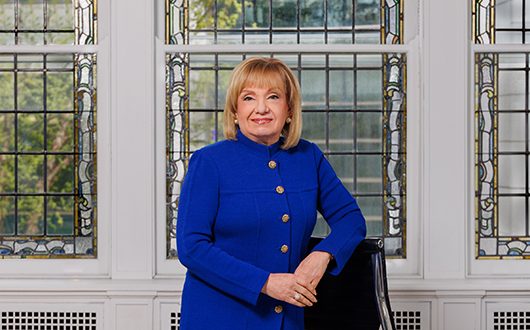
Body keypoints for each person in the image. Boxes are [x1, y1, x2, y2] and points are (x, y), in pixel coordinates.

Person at [176, 57, 366, 330]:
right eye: (249, 98)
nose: (261, 108)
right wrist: (265, 283)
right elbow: (192, 248)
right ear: (234, 110)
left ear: (289, 109)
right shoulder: (209, 162)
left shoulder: (308, 157)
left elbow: (351, 219)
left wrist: (322, 255)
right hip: (219, 318)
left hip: (287, 321)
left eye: (273, 97)